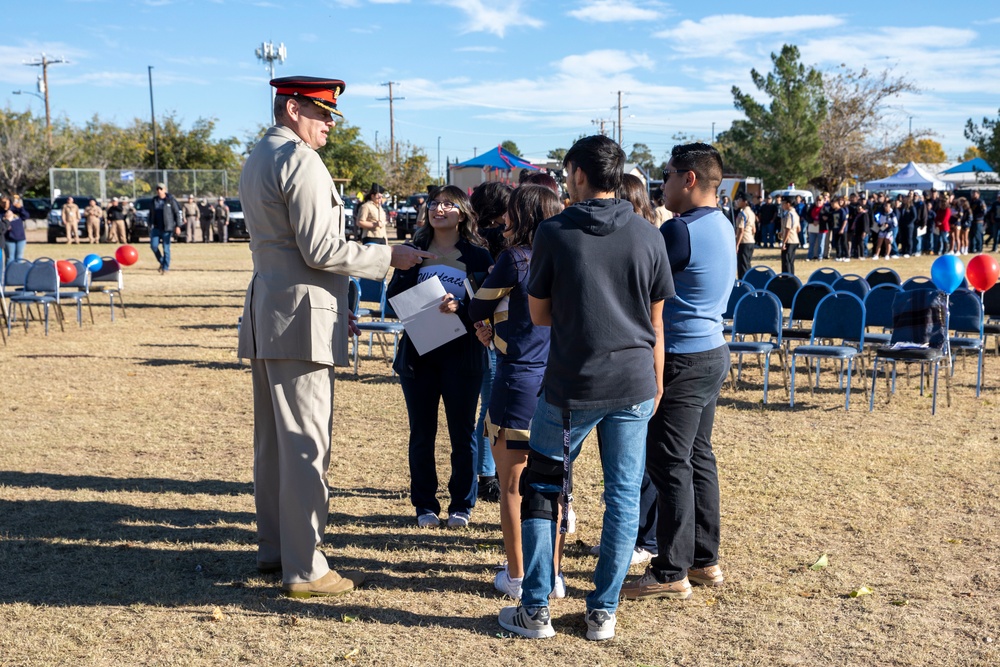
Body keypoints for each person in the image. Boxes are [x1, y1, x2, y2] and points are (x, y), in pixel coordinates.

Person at [238, 75, 431, 599]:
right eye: (323, 114)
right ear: (293, 106)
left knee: (275, 444)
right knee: (305, 445)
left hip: (271, 311)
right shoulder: (298, 159)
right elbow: (322, 248)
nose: (329, 125)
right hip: (300, 315)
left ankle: (277, 548)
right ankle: (305, 567)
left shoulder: (260, 154)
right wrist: (387, 256)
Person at [497, 135, 672, 642]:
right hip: (637, 381)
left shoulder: (554, 233)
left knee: (543, 488)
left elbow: (539, 313)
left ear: (575, 175)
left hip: (573, 385)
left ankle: (536, 609)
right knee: (622, 497)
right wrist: (656, 383)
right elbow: (657, 322)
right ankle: (603, 613)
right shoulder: (649, 235)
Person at [621, 142, 735, 603]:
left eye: (666, 175)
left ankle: (670, 570)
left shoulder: (680, 231)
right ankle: (704, 559)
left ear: (689, 179)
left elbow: (640, 287)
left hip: (683, 357)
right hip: (712, 349)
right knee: (697, 457)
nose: (660, 185)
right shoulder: (722, 223)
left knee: (670, 462)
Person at [469, 184, 560, 600]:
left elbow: (476, 307)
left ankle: (519, 575)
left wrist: (490, 327)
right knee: (554, 487)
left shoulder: (515, 259)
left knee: (512, 487)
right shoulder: (568, 256)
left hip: (516, 381)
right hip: (558, 383)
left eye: (508, 212)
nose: (503, 219)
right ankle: (553, 575)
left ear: (520, 215)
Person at [387, 185, 493, 529]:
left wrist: (460, 308)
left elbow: (488, 305)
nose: (439, 208)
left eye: (448, 204)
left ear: (462, 212)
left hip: (464, 356)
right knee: (422, 433)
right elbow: (392, 299)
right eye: (434, 203)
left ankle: (462, 504)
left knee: (463, 434)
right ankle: (424, 506)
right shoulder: (413, 250)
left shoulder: (478, 256)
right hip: (419, 355)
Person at [468, 181, 513, 504]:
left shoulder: (470, 238)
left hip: (477, 328)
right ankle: (487, 476)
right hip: (496, 332)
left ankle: (483, 473)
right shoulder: (498, 241)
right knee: (492, 407)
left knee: (487, 405)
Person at [149, 184, 182, 273]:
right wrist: (150, 225)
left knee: (166, 248)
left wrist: (178, 226)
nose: (159, 190)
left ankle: (165, 268)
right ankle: (162, 261)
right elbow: (151, 214)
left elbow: (177, 213)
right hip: (156, 228)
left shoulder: (170, 200)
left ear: (165, 190)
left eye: (161, 189)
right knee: (153, 246)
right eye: (157, 189)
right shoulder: (154, 200)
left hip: (167, 228)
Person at [733, 192, 756, 279]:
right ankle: (749, 282)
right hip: (751, 241)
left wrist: (737, 244)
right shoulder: (752, 213)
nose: (738, 201)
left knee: (742, 267)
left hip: (744, 241)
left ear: (745, 202)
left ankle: (744, 285)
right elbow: (754, 230)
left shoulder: (742, 213)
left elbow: (741, 231)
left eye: (740, 200)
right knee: (748, 264)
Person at [2, 196, 29, 267]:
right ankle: (9, 275)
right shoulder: (1, 212)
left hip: (20, 238)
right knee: (10, 258)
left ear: (9, 201)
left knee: (19, 258)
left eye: (5, 202)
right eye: (2, 202)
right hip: (9, 239)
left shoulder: (15, 209)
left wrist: (21, 208)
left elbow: (26, 216)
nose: (4, 204)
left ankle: (18, 274)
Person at [780, 198, 800, 275]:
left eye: (783, 203)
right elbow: (799, 229)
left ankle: (787, 279)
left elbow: (788, 229)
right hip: (795, 239)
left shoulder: (789, 214)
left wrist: (784, 242)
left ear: (788, 204)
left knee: (786, 262)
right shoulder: (795, 214)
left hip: (789, 240)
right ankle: (792, 278)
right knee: (791, 262)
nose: (782, 205)